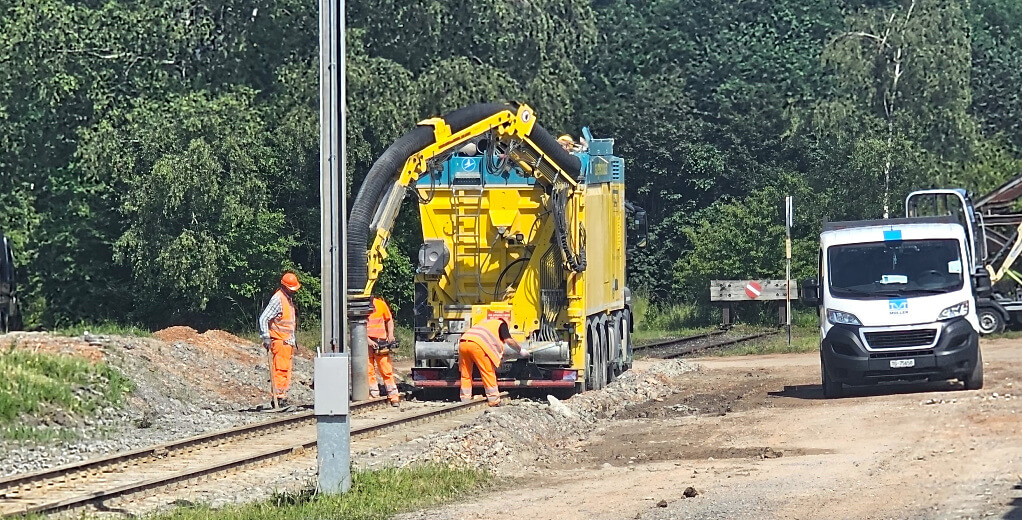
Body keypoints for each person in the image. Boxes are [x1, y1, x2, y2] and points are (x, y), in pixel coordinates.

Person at [458, 318, 529, 406]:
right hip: (477, 346)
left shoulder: (483, 323)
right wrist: (520, 350)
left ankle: (465, 399)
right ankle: (493, 400)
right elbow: (509, 341)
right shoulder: (501, 324)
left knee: (465, 374)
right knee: (487, 372)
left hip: (463, 343)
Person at [258, 272, 301, 406]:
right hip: (280, 341)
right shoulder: (278, 299)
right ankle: (277, 397)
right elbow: (264, 318)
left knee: (285, 370)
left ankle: (281, 395)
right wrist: (266, 336)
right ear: (285, 286)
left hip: (287, 342)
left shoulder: (287, 299)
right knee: (280, 369)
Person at [367, 295, 400, 406]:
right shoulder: (361, 307)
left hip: (381, 342)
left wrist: (390, 335)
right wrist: (367, 340)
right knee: (368, 369)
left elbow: (389, 320)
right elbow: (357, 327)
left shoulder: (381, 304)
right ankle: (374, 393)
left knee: (386, 368)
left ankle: (393, 395)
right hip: (366, 343)